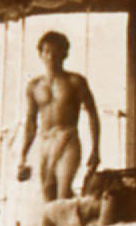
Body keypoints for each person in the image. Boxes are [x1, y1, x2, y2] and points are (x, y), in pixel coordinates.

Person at [17, 30, 101, 202]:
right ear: (40, 54)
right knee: (47, 191)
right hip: (45, 141)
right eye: (46, 51)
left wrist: (95, 149)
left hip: (68, 138)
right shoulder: (34, 86)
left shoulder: (75, 82)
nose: (51, 56)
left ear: (65, 54)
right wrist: (23, 155)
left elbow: (92, 114)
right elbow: (31, 123)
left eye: (56, 51)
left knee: (63, 192)